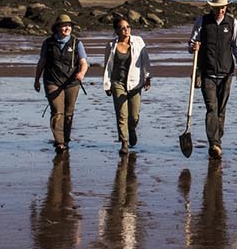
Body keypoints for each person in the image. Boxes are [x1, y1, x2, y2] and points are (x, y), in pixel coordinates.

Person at [187, 0, 237, 158]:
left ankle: (217, 139)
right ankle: (214, 143)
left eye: (222, 7)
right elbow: (191, 44)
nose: (220, 10)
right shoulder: (202, 21)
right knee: (211, 108)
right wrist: (194, 47)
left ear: (226, 7)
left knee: (221, 110)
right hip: (207, 72)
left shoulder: (232, 23)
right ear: (212, 7)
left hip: (226, 72)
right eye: (217, 7)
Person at [33, 13, 89, 155]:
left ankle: (66, 138)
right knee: (57, 112)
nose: (66, 28)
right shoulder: (48, 43)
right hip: (52, 81)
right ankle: (59, 142)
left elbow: (83, 62)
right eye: (64, 25)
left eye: (69, 26)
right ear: (57, 27)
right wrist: (37, 79)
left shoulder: (77, 43)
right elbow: (42, 62)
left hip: (72, 83)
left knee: (68, 114)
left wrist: (81, 74)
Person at [101, 16, 152, 152]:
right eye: (122, 28)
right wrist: (107, 85)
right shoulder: (111, 46)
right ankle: (124, 142)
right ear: (117, 30)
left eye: (128, 27)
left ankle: (132, 129)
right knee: (121, 114)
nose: (126, 30)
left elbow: (145, 60)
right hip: (117, 83)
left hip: (135, 83)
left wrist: (147, 77)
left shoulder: (138, 41)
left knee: (134, 116)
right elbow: (107, 66)